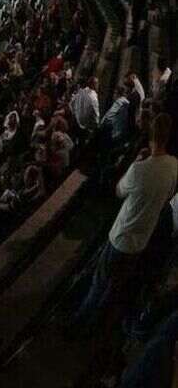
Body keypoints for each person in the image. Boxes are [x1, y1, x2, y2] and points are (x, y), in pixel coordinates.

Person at [76, 114, 177, 325]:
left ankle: (80, 322)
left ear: (151, 135)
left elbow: (119, 190)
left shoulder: (139, 169)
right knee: (115, 286)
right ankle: (98, 322)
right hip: (141, 241)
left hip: (121, 237)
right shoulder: (173, 165)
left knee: (99, 281)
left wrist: (138, 161)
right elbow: (168, 195)